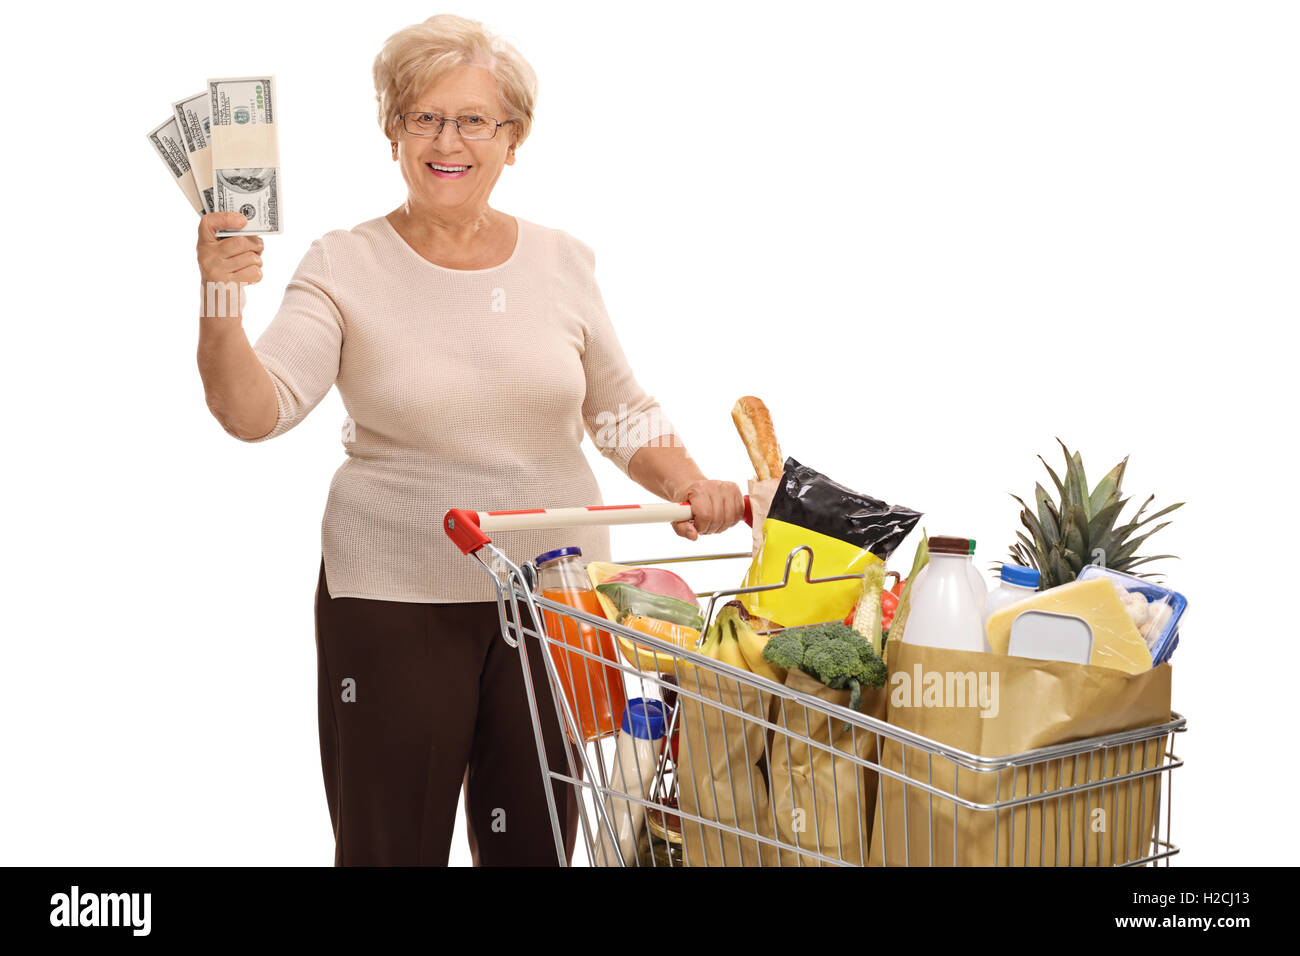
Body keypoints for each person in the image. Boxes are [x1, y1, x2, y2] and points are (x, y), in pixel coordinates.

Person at [194, 13, 745, 866]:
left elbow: (620, 408)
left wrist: (693, 481)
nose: (447, 140)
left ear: (512, 139)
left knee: (536, 841)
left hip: (551, 600)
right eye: (423, 117)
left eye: (474, 120)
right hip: (395, 599)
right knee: (392, 850)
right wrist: (221, 301)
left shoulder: (563, 261)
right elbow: (254, 409)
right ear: (393, 134)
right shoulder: (344, 264)